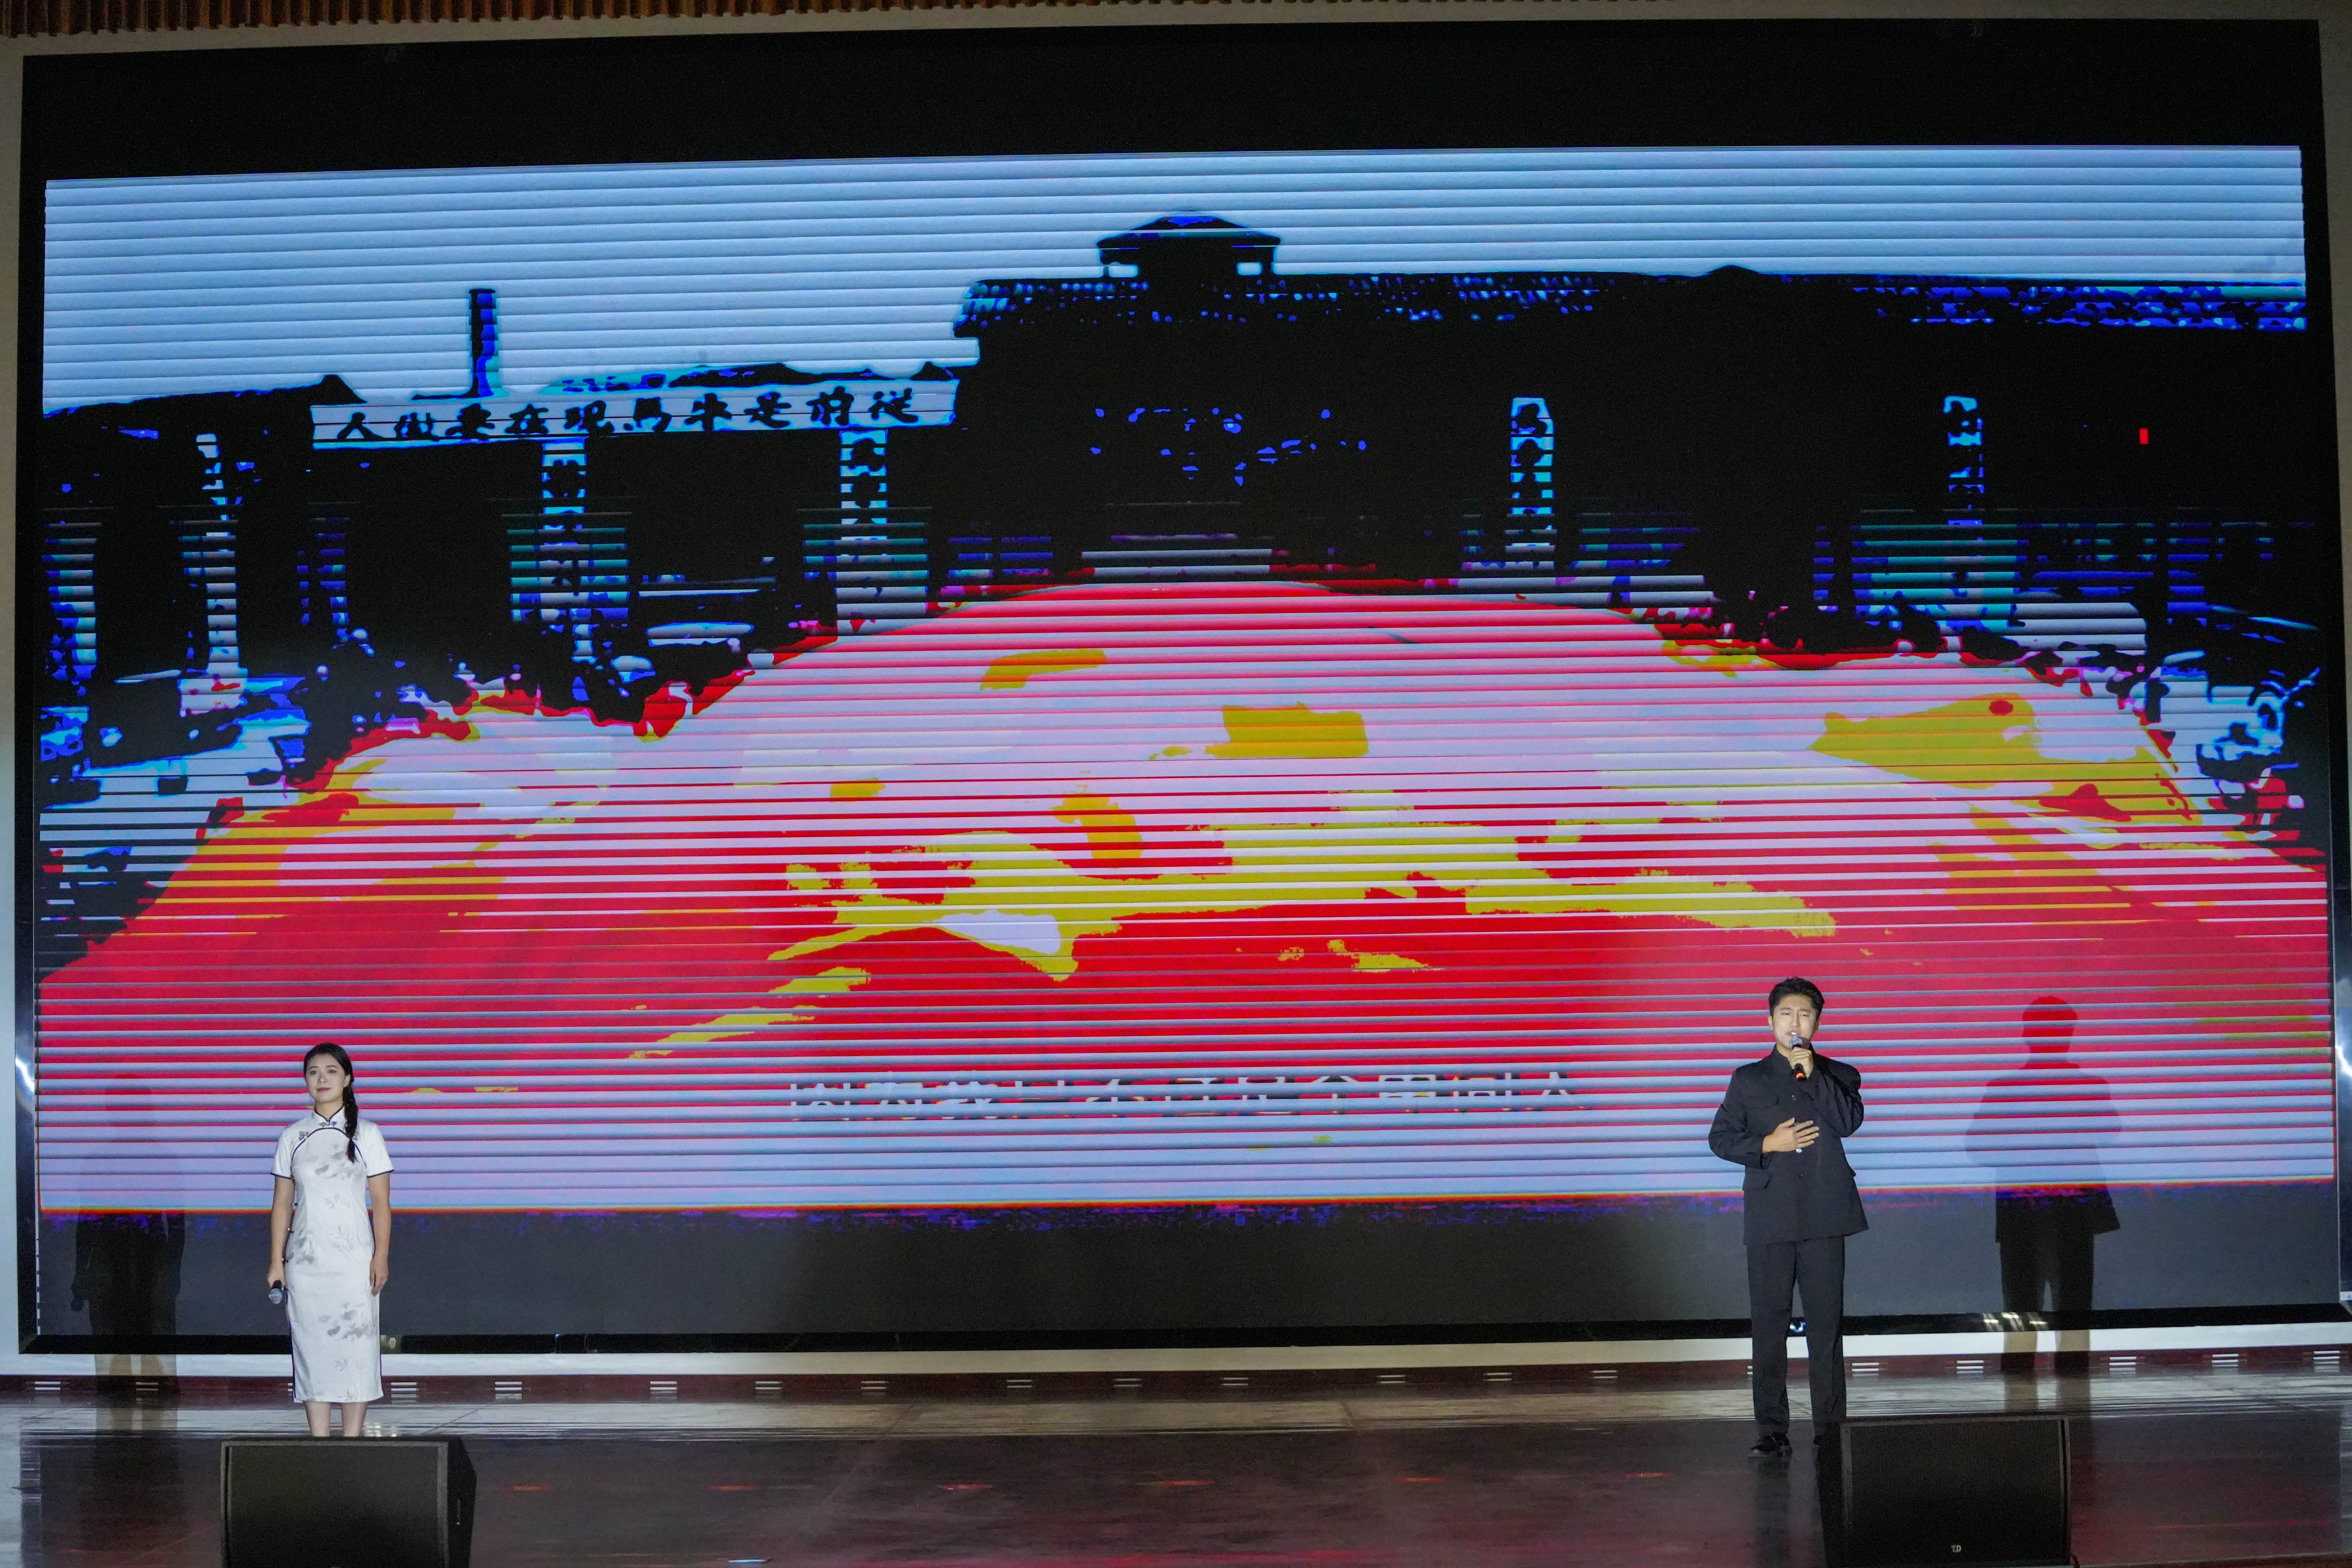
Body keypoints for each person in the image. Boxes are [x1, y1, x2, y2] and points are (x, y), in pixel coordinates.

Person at [1707, 977, 1866, 1459]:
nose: (1795, 1023)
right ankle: (1772, 1430)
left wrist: (1814, 1074)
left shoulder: (1840, 1074)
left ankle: (1830, 1429)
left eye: (1805, 1015)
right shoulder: (1748, 1079)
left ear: (1817, 1022)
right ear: (1770, 1020)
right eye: (1786, 1014)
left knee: (1826, 1329)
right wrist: (1766, 1144)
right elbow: (1720, 1138)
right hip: (1770, 1218)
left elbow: (1849, 1123)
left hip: (1825, 1217)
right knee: (1769, 1327)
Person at [267, 1043, 394, 1438]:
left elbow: (381, 1203)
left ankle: (352, 1442)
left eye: (331, 1071)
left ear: (348, 1079)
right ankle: (319, 1444)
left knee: (356, 1349)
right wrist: (276, 1260)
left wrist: (381, 1256)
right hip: (307, 1262)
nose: (321, 1079)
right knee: (313, 1350)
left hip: (354, 1262)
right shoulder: (292, 1136)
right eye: (313, 1072)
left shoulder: (367, 1133)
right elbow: (282, 1203)